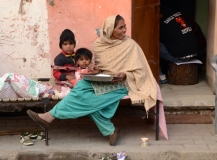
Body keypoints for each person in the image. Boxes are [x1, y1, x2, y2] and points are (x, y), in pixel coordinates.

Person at [27, 15, 157, 146]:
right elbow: (103, 67)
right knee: (80, 87)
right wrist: (97, 71)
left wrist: (124, 74)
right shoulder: (99, 44)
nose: (124, 30)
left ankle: (49, 117)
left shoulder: (131, 45)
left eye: (125, 27)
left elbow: (141, 70)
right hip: (102, 79)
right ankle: (110, 130)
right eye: (121, 28)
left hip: (122, 83)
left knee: (86, 99)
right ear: (110, 29)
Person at [159, 6, 199, 83]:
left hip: (180, 58)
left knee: (152, 45)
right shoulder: (176, 13)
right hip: (194, 53)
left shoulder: (161, 20)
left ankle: (161, 77)